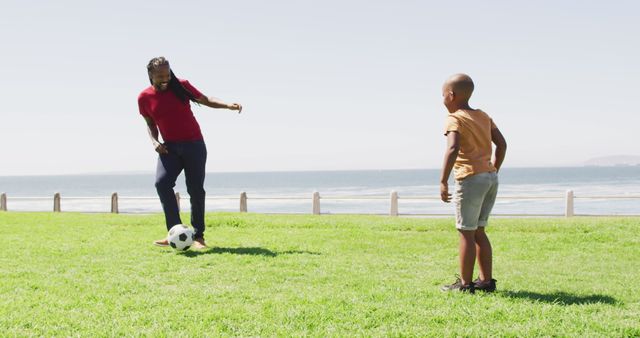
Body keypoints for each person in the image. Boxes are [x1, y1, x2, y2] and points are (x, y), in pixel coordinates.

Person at [138, 57, 242, 249]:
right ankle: (174, 232)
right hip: (169, 148)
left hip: (194, 145)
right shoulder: (144, 98)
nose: (165, 79)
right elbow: (150, 124)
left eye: (167, 74)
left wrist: (227, 105)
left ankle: (198, 236)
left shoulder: (181, 86)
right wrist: (155, 142)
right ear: (150, 75)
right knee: (162, 184)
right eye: (160, 76)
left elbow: (205, 99)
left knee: (195, 189)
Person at [438, 74, 507, 293]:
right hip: (490, 178)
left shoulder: (455, 118)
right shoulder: (484, 116)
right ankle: (486, 281)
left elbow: (452, 148)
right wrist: (493, 167)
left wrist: (443, 181)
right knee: (479, 230)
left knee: (466, 231)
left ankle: (465, 285)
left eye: (442, 96)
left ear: (451, 95)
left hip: (469, 178)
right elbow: (502, 144)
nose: (442, 100)